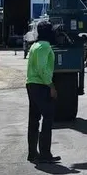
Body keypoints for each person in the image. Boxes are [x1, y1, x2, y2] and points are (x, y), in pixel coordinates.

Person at [26, 20, 60, 163]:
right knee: (47, 118)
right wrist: (51, 86)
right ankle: (45, 153)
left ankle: (33, 153)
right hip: (41, 85)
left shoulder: (34, 45)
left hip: (31, 84)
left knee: (34, 120)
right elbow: (42, 69)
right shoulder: (45, 46)